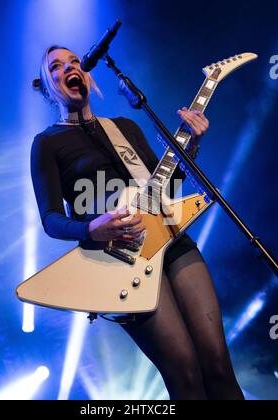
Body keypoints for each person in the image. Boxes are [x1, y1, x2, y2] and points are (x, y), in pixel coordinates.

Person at [31, 45, 244, 400]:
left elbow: (162, 186)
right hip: (118, 261)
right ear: (48, 84)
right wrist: (90, 229)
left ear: (87, 75)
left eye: (74, 62)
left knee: (218, 362)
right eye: (57, 66)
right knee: (185, 373)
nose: (70, 67)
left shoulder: (123, 127)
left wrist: (190, 147)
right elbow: (51, 219)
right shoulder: (47, 143)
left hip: (174, 243)